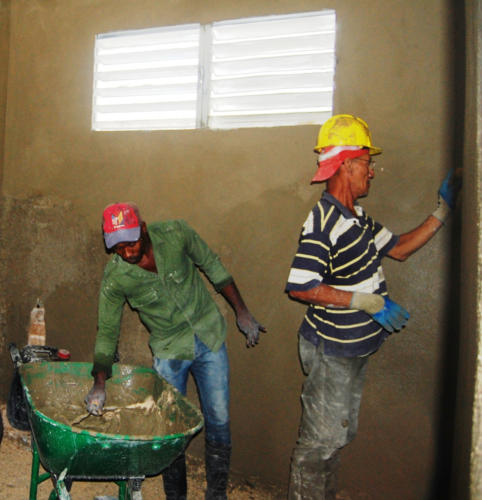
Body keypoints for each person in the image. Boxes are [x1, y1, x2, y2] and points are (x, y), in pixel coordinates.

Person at [285, 114, 461, 499]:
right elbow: (300, 286)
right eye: (367, 162)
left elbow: (398, 248)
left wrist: (443, 211)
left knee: (336, 437)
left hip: (352, 351)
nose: (372, 172)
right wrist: (366, 301)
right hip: (330, 351)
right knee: (319, 445)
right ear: (346, 164)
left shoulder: (359, 219)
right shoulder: (323, 220)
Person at [85, 202, 265, 500]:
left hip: (209, 335)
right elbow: (107, 332)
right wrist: (99, 383)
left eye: (131, 243)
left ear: (143, 229)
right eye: (118, 248)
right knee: (170, 430)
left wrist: (242, 312)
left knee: (218, 419)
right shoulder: (116, 276)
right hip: (170, 350)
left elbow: (213, 266)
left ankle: (216, 494)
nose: (127, 253)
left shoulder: (175, 233)